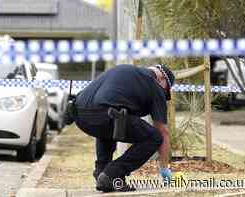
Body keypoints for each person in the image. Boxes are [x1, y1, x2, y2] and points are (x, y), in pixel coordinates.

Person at [71, 64, 175, 192]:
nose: (164, 96)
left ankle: (102, 172)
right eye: (166, 91)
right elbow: (163, 131)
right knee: (154, 137)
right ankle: (112, 174)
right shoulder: (155, 85)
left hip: (79, 114)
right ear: (162, 79)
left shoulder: (125, 70)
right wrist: (165, 168)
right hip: (106, 114)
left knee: (110, 121)